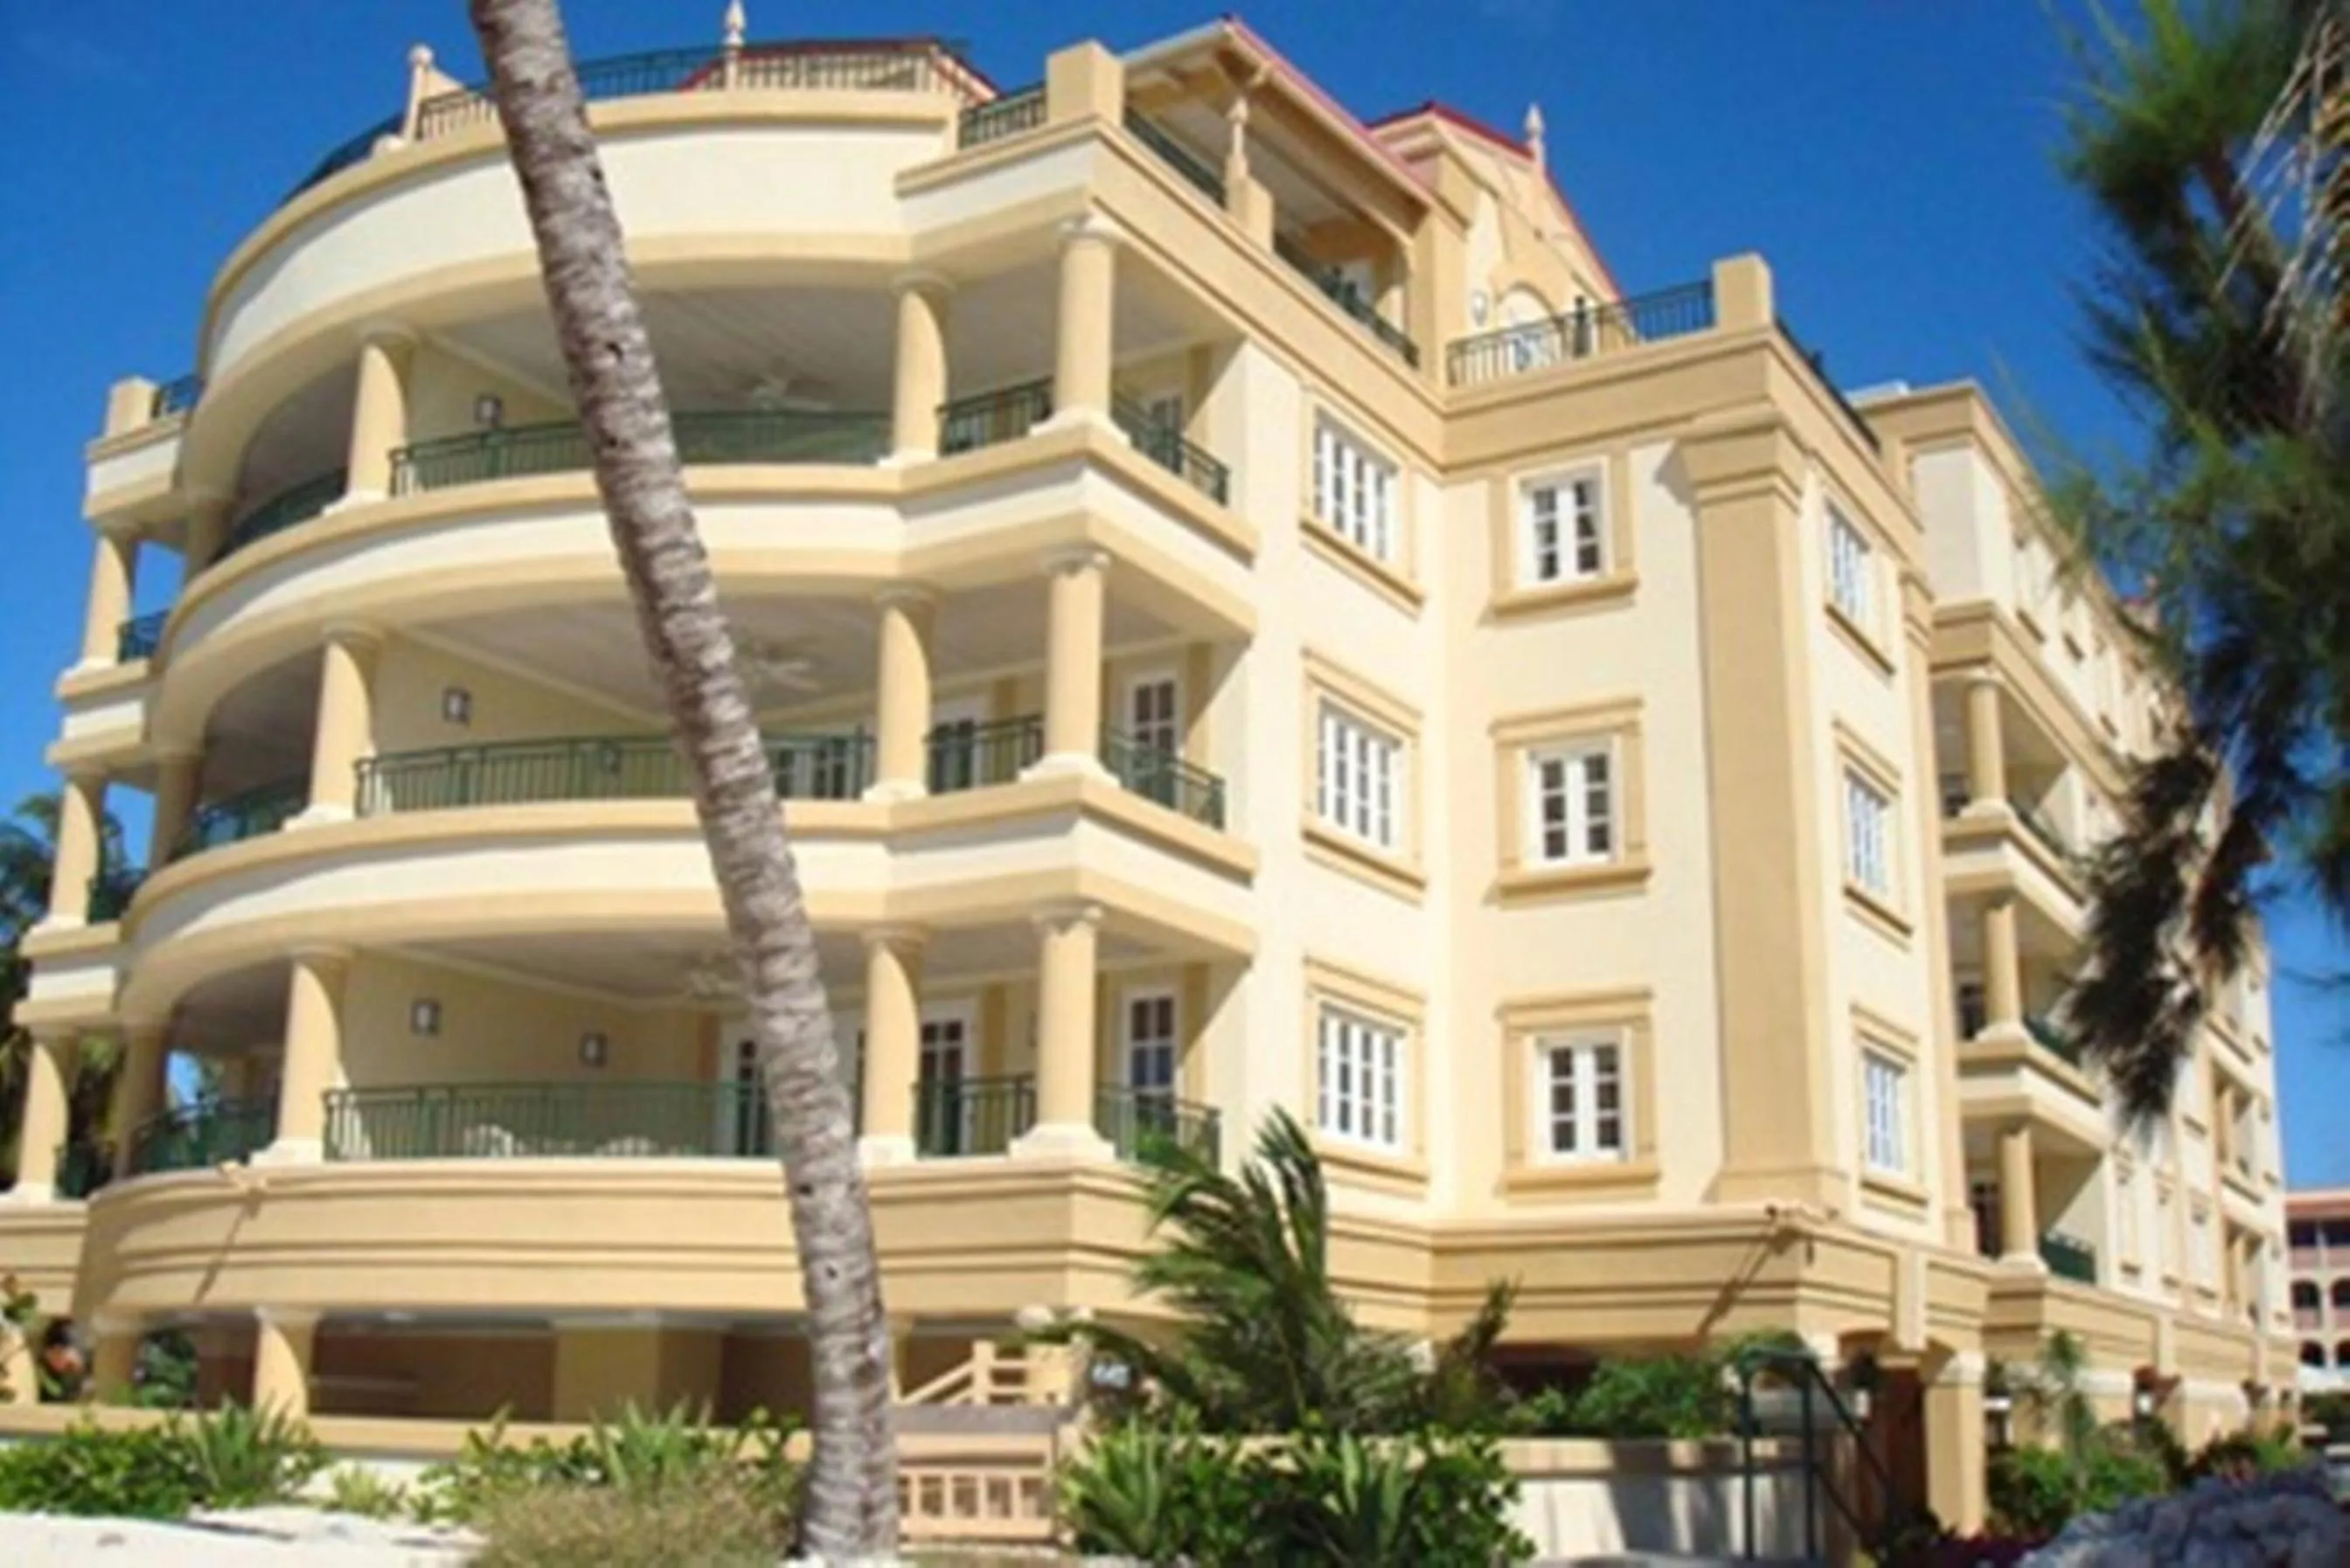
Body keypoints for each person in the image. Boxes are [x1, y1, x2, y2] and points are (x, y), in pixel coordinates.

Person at [38, 1318, 85, 1402]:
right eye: (56, 1353)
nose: (59, 1360)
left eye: (60, 1353)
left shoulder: (77, 1373)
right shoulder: (41, 1372)